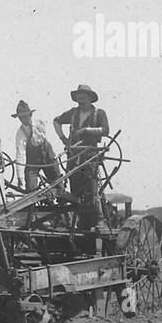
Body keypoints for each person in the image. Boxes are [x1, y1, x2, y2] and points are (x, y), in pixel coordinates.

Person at [53, 84, 110, 229]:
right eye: (79, 99)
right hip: (73, 156)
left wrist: (86, 130)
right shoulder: (72, 113)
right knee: (75, 190)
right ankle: (81, 221)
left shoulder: (99, 113)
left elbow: (105, 130)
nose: (81, 102)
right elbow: (56, 121)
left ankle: (99, 220)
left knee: (91, 188)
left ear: (90, 98)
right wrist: (63, 139)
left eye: (83, 99)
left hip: (90, 155)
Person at [12, 100, 61, 192]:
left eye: (25, 116)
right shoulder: (20, 134)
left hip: (47, 154)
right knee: (31, 188)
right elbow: (20, 155)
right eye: (21, 117)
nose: (23, 119)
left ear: (30, 115)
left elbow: (45, 134)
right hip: (33, 160)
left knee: (57, 182)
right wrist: (20, 177)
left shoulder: (40, 122)